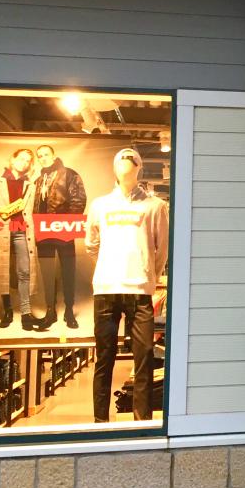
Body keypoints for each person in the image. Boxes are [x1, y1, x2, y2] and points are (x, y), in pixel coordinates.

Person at [86, 147, 168, 422]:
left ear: (139, 168)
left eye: (131, 161)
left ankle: (141, 421)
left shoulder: (155, 206)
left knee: (143, 359)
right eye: (121, 161)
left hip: (139, 290)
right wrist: (108, 266)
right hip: (107, 289)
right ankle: (100, 421)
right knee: (104, 358)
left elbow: (162, 249)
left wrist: (149, 275)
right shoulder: (100, 205)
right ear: (113, 168)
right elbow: (91, 244)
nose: (126, 164)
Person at [32, 144, 87, 330]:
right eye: (40, 156)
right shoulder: (39, 180)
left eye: (46, 154)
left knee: (68, 271)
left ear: (54, 155)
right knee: (47, 272)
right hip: (43, 230)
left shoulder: (69, 174)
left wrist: (67, 225)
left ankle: (69, 311)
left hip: (63, 229)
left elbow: (78, 200)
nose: (43, 158)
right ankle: (50, 311)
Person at [0, 148, 38, 332]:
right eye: (21, 158)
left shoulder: (30, 185)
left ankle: (25, 313)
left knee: (24, 271)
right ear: (13, 159)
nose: (24, 163)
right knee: (3, 272)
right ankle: (7, 311)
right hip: (2, 232)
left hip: (22, 231)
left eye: (28, 161)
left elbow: (31, 212)